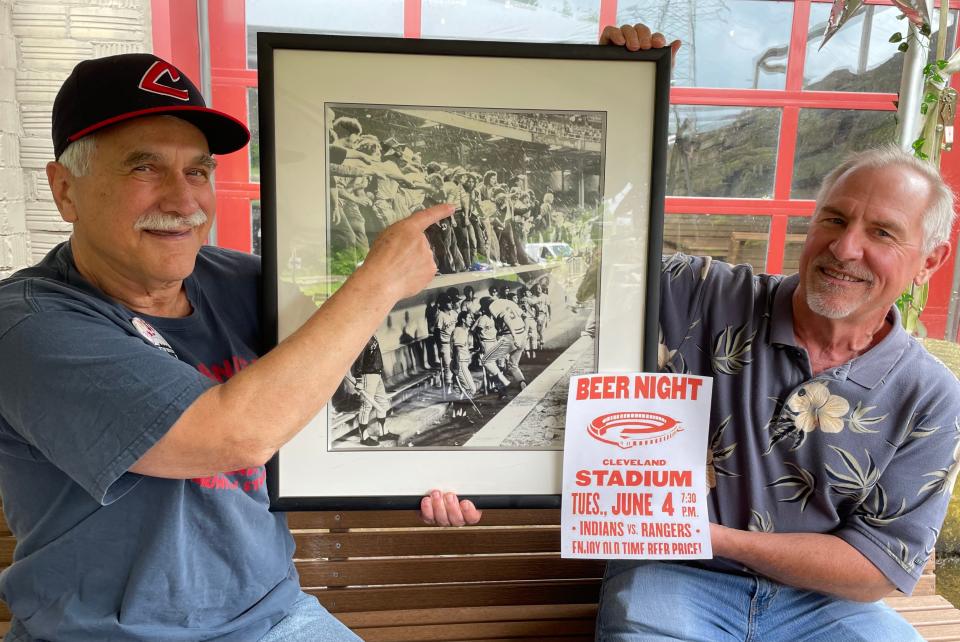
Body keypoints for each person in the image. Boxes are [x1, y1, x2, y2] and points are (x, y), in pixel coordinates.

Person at [433, 23, 960, 642]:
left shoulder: (929, 395)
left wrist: (709, 535)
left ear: (930, 260)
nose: (845, 248)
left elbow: (877, 566)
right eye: (834, 220)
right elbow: (599, 237)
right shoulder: (707, 294)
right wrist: (609, 93)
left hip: (825, 603)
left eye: (883, 234)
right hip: (675, 576)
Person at [0, 53, 479, 642]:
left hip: (276, 616)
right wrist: (378, 279)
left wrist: (435, 468)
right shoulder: (28, 324)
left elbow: (339, 384)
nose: (183, 201)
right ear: (65, 190)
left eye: (198, 171)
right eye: (144, 168)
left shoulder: (242, 282)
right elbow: (231, 435)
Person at [350, 335, 393, 446]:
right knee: (366, 406)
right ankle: (364, 437)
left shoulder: (371, 335)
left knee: (382, 403)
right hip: (367, 375)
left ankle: (383, 433)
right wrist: (359, 379)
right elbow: (358, 359)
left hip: (376, 374)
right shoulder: (363, 336)